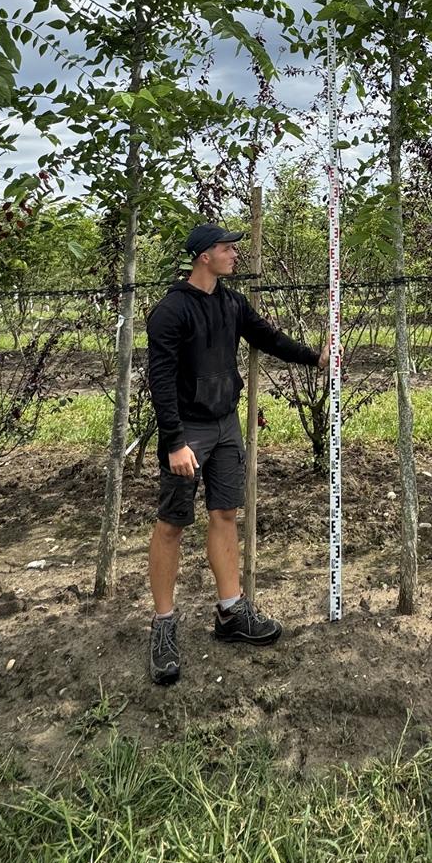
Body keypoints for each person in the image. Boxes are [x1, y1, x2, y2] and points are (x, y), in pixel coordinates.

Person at [145, 221, 327, 685]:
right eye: (228, 248)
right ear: (204, 255)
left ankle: (230, 614)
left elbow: (267, 337)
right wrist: (174, 442)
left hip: (226, 426)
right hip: (188, 430)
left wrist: (315, 357)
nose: (235, 255)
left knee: (225, 513)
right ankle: (163, 625)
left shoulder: (231, 303)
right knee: (171, 525)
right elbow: (161, 380)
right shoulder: (171, 311)